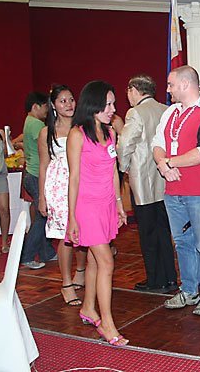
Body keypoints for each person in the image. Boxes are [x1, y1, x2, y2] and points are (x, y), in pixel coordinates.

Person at [152, 65, 200, 316]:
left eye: (171, 84)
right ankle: (189, 289)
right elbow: (157, 144)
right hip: (173, 190)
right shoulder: (170, 112)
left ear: (185, 84)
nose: (168, 89)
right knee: (182, 243)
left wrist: (170, 162)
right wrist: (163, 164)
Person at [67, 80, 128, 346]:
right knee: (106, 262)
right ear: (93, 105)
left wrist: (119, 203)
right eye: (108, 105)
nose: (112, 109)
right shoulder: (77, 135)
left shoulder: (109, 133)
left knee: (94, 260)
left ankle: (88, 308)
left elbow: (113, 171)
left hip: (106, 205)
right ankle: (107, 323)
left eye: (113, 104)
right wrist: (72, 217)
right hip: (87, 207)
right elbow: (74, 178)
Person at [118, 74, 178, 293]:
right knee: (163, 231)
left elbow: (125, 144)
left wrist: (123, 167)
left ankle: (155, 280)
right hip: (165, 178)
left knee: (148, 233)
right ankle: (170, 277)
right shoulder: (166, 109)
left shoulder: (135, 113)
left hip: (143, 181)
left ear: (134, 90)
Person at [38, 84, 87, 306]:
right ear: (53, 105)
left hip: (82, 183)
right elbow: (43, 165)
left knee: (83, 232)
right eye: (63, 101)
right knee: (65, 236)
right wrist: (42, 197)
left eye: (71, 100)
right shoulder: (46, 132)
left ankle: (81, 270)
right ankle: (66, 283)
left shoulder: (83, 127)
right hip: (58, 187)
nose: (68, 104)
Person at [21, 91, 57, 269]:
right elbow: (48, 146)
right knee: (42, 217)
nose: (47, 110)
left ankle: (46, 252)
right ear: (36, 106)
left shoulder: (29, 121)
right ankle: (27, 256)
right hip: (37, 174)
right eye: (44, 106)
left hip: (31, 173)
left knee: (43, 215)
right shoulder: (37, 124)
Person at [0, 127, 9, 255]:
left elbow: (6, 154)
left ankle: (5, 242)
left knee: (4, 209)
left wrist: (6, 142)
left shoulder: (0, 133)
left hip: (0, 175)